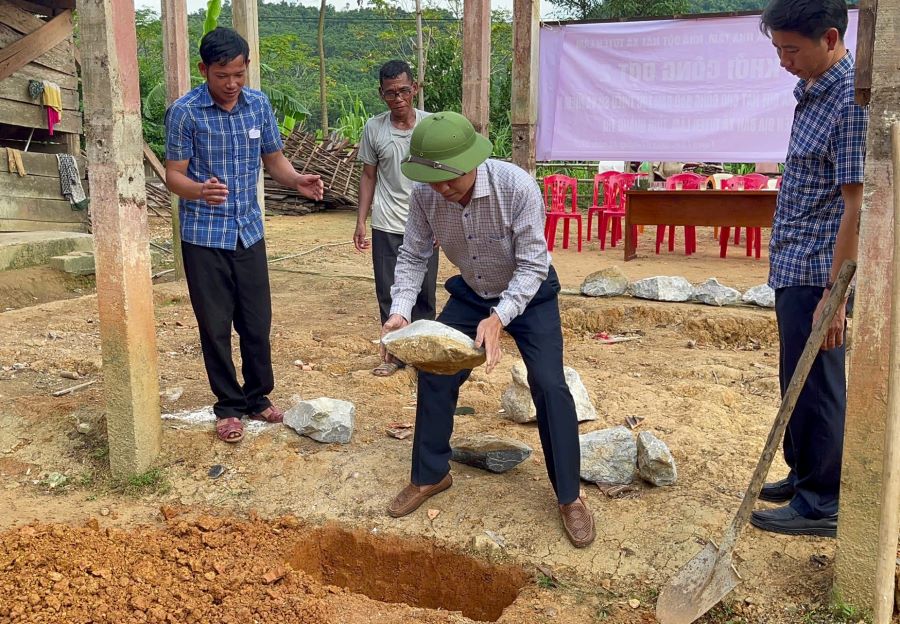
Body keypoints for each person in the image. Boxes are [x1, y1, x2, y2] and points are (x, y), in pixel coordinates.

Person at [381, 111, 596, 548]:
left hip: (530, 293)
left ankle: (569, 497)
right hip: (471, 291)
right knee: (436, 372)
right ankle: (430, 475)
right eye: (432, 179)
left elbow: (534, 264)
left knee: (550, 385)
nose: (442, 188)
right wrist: (400, 312)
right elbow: (413, 255)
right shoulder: (425, 195)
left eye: (450, 179)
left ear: (471, 160)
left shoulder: (516, 187)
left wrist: (499, 319)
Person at [164, 27, 323, 443]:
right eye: (222, 75)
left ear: (246, 68)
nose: (231, 84)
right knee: (215, 325)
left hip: (248, 231)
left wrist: (297, 180)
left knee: (256, 321)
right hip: (204, 236)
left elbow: (275, 159)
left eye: (238, 73)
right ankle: (228, 406)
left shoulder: (258, 105)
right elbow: (173, 175)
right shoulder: (185, 112)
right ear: (204, 70)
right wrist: (199, 190)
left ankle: (258, 398)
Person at [751, 0, 867, 537]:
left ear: (830, 38)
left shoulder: (848, 102)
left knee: (818, 384)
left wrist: (836, 295)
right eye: (778, 50)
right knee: (794, 376)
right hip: (795, 265)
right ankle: (802, 475)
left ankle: (822, 501)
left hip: (822, 271)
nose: (783, 62)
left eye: (791, 50)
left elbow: (856, 205)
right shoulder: (814, 93)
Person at [354, 60, 438, 377]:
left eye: (404, 90)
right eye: (391, 93)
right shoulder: (374, 129)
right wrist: (361, 220)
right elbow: (368, 176)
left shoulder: (431, 127)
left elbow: (443, 177)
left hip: (427, 224)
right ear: (382, 94)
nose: (398, 98)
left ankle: (424, 356)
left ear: (414, 88)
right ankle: (393, 355)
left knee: (425, 294)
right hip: (388, 224)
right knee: (389, 292)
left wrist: (443, 222)